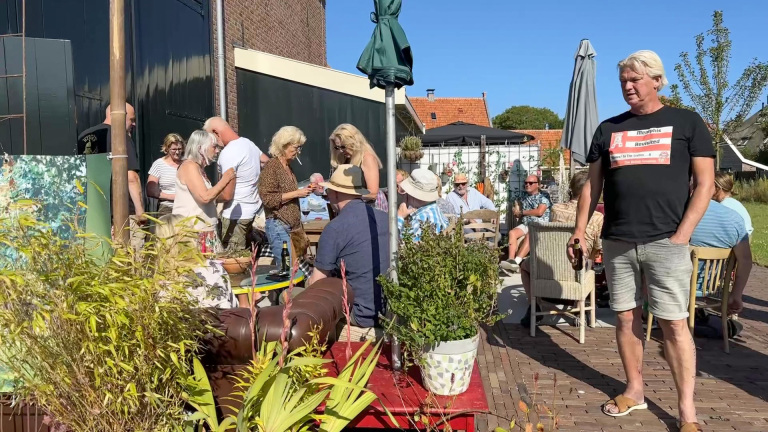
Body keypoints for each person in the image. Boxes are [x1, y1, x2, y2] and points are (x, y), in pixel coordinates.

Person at [569, 50, 714, 431]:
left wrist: (682, 234)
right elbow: (591, 187)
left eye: (635, 80)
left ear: (656, 81)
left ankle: (687, 414)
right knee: (626, 317)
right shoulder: (608, 128)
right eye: (623, 82)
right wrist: (580, 230)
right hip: (617, 240)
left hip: (668, 242)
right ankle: (634, 390)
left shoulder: (687, 123)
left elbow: (705, 185)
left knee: (674, 324)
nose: (628, 87)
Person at [308, 164, 389, 330]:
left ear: (336, 193)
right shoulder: (385, 218)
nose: (327, 196)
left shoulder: (335, 227)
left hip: (361, 314)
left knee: (289, 297)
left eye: (328, 192)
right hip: (391, 310)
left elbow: (316, 284)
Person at [518, 171, 604, 327]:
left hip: (550, 268)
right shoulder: (598, 217)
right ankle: (580, 308)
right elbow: (597, 250)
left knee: (523, 267)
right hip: (577, 268)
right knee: (588, 260)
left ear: (571, 189)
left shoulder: (557, 209)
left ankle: (534, 304)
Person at [77, 103, 145, 249]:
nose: (134, 124)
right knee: (131, 258)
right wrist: (140, 212)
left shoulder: (83, 137)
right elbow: (131, 177)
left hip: (93, 211)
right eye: (132, 119)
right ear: (120, 116)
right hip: (122, 213)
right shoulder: (120, 136)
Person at [204, 117, 270, 251]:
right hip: (251, 212)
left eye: (210, 137)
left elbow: (227, 195)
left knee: (233, 261)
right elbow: (267, 162)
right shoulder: (248, 143)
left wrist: (210, 195)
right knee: (246, 258)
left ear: (216, 132)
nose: (212, 144)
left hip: (234, 216)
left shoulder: (228, 153)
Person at [259, 126, 313, 269]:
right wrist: (297, 193)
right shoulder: (272, 166)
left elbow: (286, 194)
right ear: (284, 145)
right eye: (296, 147)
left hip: (292, 227)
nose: (298, 152)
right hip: (278, 224)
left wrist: (304, 191)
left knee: (294, 269)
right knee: (286, 269)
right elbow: (267, 198)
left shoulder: (288, 167)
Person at [172, 130, 236, 252]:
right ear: (201, 148)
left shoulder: (198, 168)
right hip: (193, 233)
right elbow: (204, 197)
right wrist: (225, 179)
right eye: (214, 146)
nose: (217, 151)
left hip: (205, 231)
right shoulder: (189, 167)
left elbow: (209, 196)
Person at [690, 199, 752, 309]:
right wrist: (736, 294)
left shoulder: (675, 212)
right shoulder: (734, 218)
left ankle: (650, 316)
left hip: (672, 284)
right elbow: (745, 260)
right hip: (710, 286)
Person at [329, 124, 387, 211]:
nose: (341, 151)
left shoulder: (367, 158)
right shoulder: (344, 160)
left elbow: (373, 193)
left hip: (369, 209)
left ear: (354, 142)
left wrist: (347, 197)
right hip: (350, 209)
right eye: (337, 147)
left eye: (343, 146)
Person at [500, 175, 551, 272]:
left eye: (531, 183)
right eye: (526, 183)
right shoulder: (524, 196)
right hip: (526, 223)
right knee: (512, 233)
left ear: (538, 185)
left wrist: (522, 212)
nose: (527, 185)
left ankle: (517, 261)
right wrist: (516, 209)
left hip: (539, 224)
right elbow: (517, 208)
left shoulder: (544, 196)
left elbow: (539, 212)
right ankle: (510, 261)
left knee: (529, 235)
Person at [397, 168, 448, 242]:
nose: (405, 195)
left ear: (414, 195)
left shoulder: (421, 220)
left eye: (407, 192)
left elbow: (397, 244)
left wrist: (399, 216)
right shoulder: (434, 209)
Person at [147, 133, 184, 216]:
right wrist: (173, 197)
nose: (177, 152)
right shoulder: (159, 164)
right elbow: (150, 190)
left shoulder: (187, 163)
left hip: (186, 207)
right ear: (167, 149)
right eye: (174, 149)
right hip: (167, 207)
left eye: (180, 149)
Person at [713, 172, 753, 237]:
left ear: (718, 189)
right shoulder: (734, 203)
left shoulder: (723, 206)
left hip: (739, 240)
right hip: (745, 237)